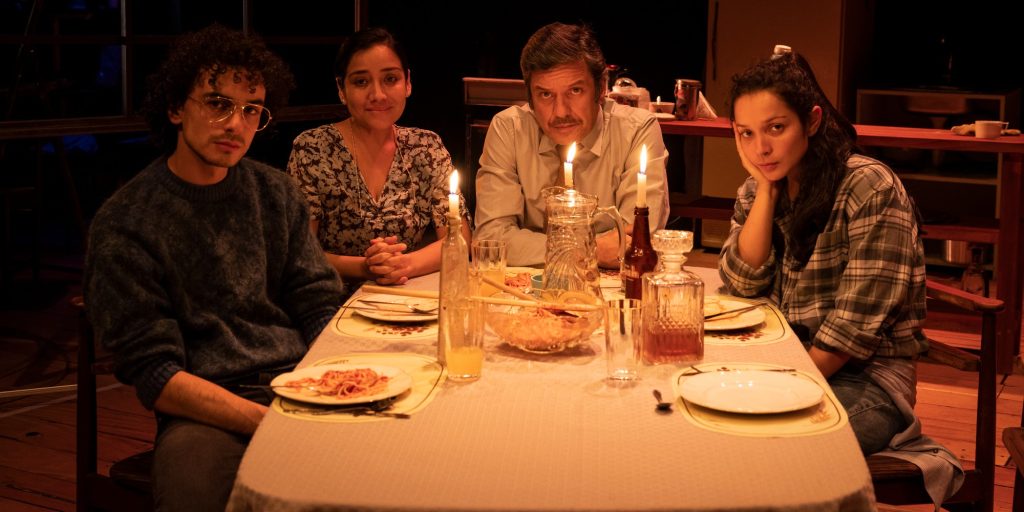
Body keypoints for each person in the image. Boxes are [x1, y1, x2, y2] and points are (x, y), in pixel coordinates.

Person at [83, 24, 343, 511]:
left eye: (251, 110)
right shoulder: (127, 221)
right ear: (175, 108)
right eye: (218, 103)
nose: (235, 124)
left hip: (300, 383)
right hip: (202, 408)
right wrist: (265, 420)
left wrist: (333, 377)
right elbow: (156, 374)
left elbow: (315, 301)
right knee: (193, 492)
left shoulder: (276, 193)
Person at [718, 50, 938, 456]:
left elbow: (851, 329)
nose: (760, 148)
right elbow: (741, 283)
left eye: (776, 128)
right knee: (707, 431)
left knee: (774, 449)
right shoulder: (757, 188)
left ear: (812, 121)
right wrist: (765, 191)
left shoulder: (869, 186)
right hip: (780, 363)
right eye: (746, 133)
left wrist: (777, 388)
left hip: (865, 379)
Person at [474, 22, 669, 267]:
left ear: (601, 88)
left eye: (575, 91)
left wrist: (534, 248)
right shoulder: (509, 129)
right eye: (545, 95)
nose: (561, 112)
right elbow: (491, 240)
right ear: (530, 98)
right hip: (524, 284)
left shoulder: (636, 130)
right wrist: (589, 249)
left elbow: (637, 241)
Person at [288, 27, 471, 288]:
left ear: (408, 82)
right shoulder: (313, 148)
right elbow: (297, 251)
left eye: (390, 79)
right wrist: (365, 267)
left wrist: (404, 265)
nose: (378, 95)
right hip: (330, 297)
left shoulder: (425, 147)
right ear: (341, 89)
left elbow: (459, 238)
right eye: (361, 82)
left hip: (407, 294)